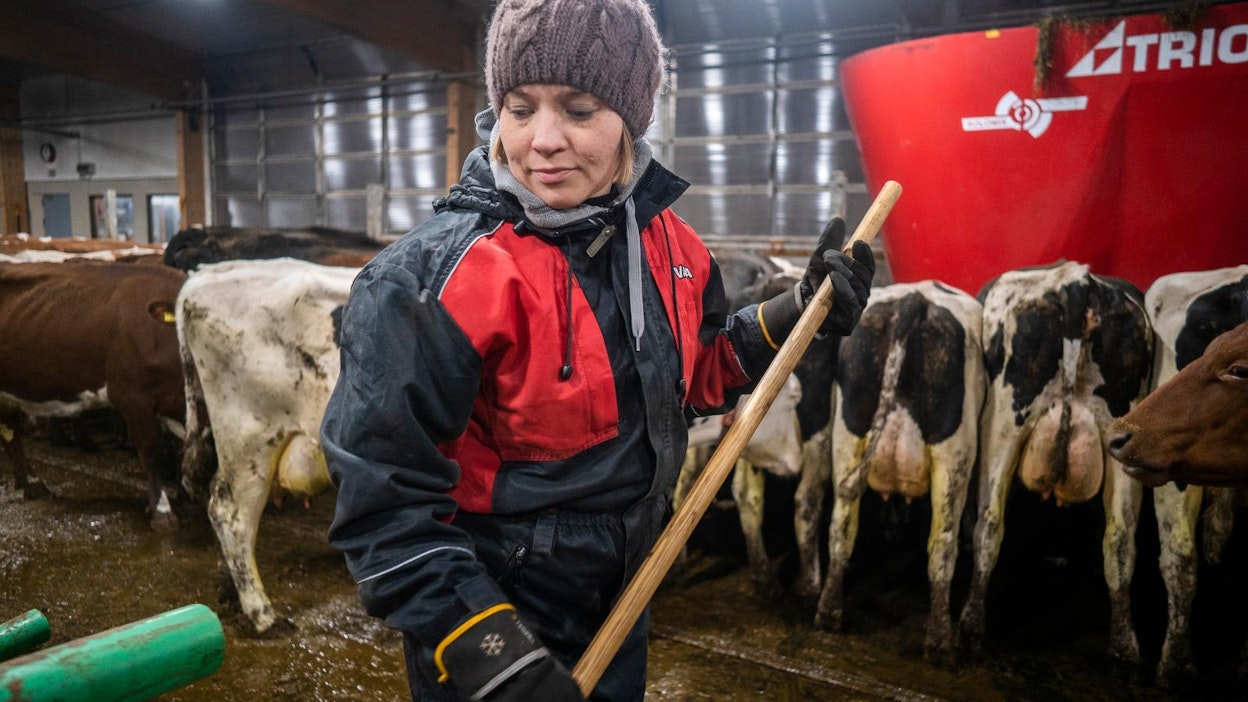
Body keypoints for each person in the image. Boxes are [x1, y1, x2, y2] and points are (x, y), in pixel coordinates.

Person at [320, 0, 874, 700]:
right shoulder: (432, 282)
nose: (542, 140)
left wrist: (800, 310)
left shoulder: (673, 246)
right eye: (520, 109)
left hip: (624, 591)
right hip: (488, 609)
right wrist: (490, 653)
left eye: (578, 110)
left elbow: (697, 378)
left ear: (630, 120)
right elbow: (383, 502)